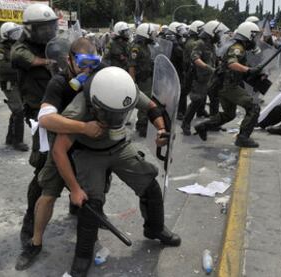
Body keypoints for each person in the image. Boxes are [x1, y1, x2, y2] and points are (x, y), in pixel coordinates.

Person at [53, 66, 181, 276]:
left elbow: (152, 108)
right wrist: (75, 189)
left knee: (149, 184)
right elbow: (59, 151)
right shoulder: (79, 109)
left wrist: (161, 129)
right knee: (91, 203)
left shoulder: (126, 92)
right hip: (89, 153)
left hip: (120, 146)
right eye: (109, 114)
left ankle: (155, 228)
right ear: (95, 103)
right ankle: (83, 254)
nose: (115, 118)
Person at [15, 38, 106, 270]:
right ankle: (35, 242)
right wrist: (82, 128)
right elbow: (46, 119)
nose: (87, 69)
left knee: (96, 191)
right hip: (62, 144)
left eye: (92, 64)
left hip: (88, 146)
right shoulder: (59, 82)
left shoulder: (100, 75)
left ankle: (90, 230)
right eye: (82, 63)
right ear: (70, 60)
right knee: (47, 194)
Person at [11, 3, 58, 247]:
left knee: (79, 158)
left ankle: (78, 207)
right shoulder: (22, 46)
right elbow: (19, 56)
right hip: (39, 117)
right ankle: (30, 220)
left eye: (51, 26)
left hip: (63, 112)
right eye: (43, 28)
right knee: (42, 168)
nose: (49, 32)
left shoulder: (54, 45)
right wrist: (46, 62)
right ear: (30, 29)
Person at [195, 22, 262, 148]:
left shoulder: (236, 45)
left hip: (224, 85)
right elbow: (232, 64)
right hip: (228, 86)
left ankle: (203, 126)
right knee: (253, 107)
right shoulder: (238, 47)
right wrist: (248, 70)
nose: (255, 39)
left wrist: (255, 72)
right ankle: (242, 138)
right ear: (248, 34)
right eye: (254, 36)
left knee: (229, 114)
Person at [181, 20, 225, 136]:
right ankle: (185, 123)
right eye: (217, 33)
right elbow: (195, 58)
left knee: (215, 100)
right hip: (200, 78)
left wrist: (219, 64)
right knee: (197, 101)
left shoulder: (212, 45)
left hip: (211, 78)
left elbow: (214, 59)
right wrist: (209, 68)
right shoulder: (200, 43)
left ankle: (213, 124)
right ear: (211, 32)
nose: (219, 36)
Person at [0, 22, 28, 151]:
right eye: (13, 33)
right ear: (5, 35)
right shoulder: (1, 49)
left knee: (16, 110)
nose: (17, 35)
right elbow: (3, 67)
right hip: (9, 84)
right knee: (19, 110)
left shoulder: (18, 46)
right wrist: (20, 66)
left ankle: (10, 138)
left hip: (18, 82)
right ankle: (17, 141)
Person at [128, 23, 156, 137]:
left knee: (147, 100)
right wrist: (132, 81)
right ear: (145, 33)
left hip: (147, 78)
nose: (152, 36)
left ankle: (143, 123)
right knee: (144, 103)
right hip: (142, 79)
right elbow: (132, 65)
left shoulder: (145, 46)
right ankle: (142, 125)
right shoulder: (136, 47)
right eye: (151, 34)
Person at [182, 20, 209, 119]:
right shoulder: (193, 43)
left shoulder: (195, 42)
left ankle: (200, 111)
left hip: (196, 71)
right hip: (192, 71)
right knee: (193, 94)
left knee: (202, 92)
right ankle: (184, 114)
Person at [165, 22, 187, 120]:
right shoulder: (172, 43)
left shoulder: (177, 41)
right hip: (174, 70)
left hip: (177, 69)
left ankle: (180, 111)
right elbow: (180, 54)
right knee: (178, 92)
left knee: (179, 92)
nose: (182, 32)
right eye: (180, 30)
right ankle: (179, 112)